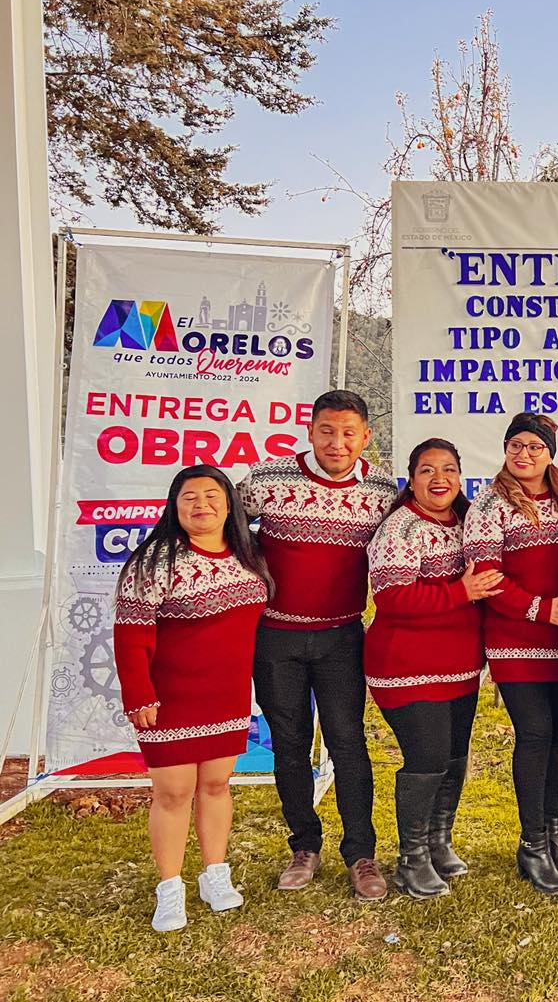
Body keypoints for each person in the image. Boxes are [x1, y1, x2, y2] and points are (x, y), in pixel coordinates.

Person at [238, 390, 396, 900]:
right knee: (288, 744)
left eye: (349, 432)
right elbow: (219, 527)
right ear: (309, 430)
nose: (337, 442)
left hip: (342, 637)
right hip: (276, 636)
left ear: (365, 437)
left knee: (349, 742)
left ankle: (361, 854)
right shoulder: (268, 480)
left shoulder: (382, 491)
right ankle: (304, 845)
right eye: (327, 430)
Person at [114, 465, 271, 932]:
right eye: (189, 497)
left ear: (229, 504)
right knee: (173, 791)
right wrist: (138, 693)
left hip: (226, 694)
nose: (201, 505)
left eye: (211, 495)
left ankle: (214, 875)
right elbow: (130, 636)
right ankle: (170, 887)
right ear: (174, 505)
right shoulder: (154, 562)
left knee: (217, 786)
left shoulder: (248, 555)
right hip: (170, 698)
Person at [366, 439, 497, 898]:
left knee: (454, 757)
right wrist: (461, 592)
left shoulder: (469, 523)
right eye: (427, 470)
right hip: (407, 665)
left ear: (461, 476)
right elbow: (392, 598)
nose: (439, 479)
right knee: (427, 758)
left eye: (448, 469)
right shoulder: (400, 528)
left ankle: (439, 841)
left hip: (460, 666)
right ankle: (411, 858)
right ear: (412, 479)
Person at [463, 413, 558, 896]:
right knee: (534, 735)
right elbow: (486, 577)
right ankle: (531, 843)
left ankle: (553, 832)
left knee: (556, 736)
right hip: (518, 639)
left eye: (535, 446)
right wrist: (540, 609)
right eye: (516, 445)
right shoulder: (492, 503)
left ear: (550, 452)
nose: (524, 454)